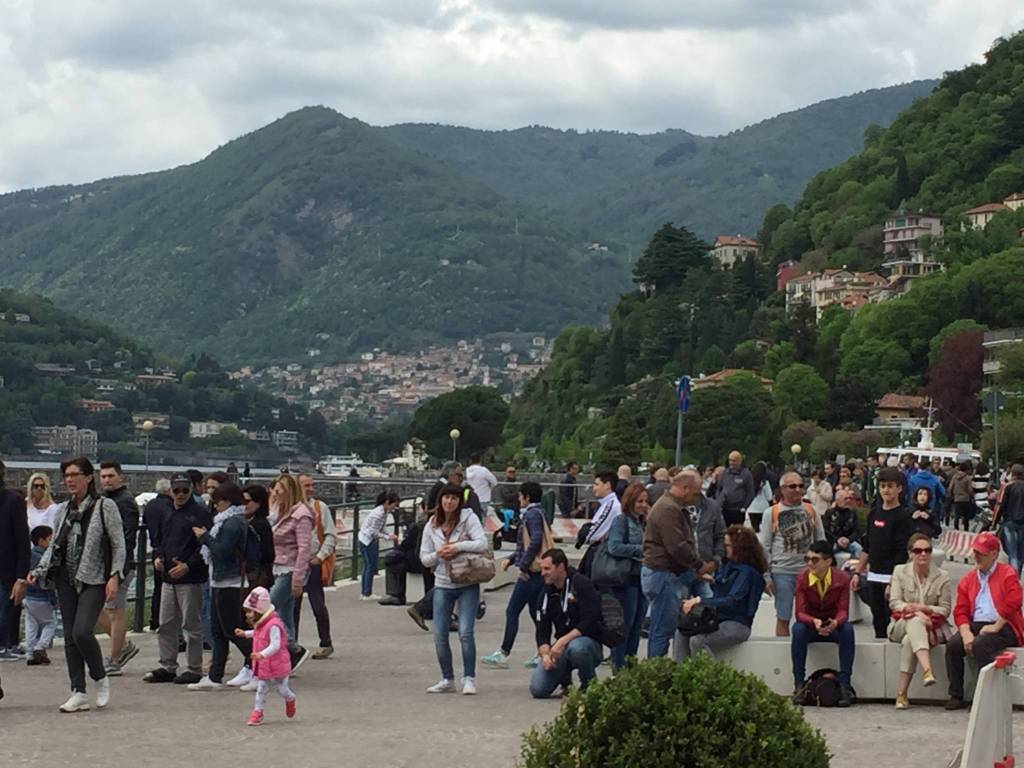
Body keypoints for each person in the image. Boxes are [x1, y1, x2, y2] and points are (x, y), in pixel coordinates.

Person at [29, 456, 126, 712]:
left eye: (75, 474)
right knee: (70, 636)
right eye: (66, 475)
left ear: (88, 477)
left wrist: (115, 575)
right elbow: (55, 545)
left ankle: (100, 677)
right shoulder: (62, 510)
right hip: (65, 577)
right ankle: (78, 691)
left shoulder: (104, 506)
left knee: (82, 631)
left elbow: (118, 544)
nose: (70, 480)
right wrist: (38, 570)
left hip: (93, 577)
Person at [143, 472, 212, 685]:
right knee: (165, 623)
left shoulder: (200, 513)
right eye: (177, 490)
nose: (181, 494)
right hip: (168, 576)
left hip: (190, 577)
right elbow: (159, 540)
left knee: (191, 624)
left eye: (185, 490)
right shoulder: (166, 512)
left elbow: (204, 546)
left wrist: (188, 565)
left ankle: (194, 667)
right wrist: (158, 558)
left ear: (191, 490)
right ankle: (167, 665)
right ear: (170, 491)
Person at [186, 482, 255, 690]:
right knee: (218, 631)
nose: (215, 506)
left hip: (230, 582)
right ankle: (215, 676)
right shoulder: (226, 521)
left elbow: (222, 550)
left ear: (227, 501)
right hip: (219, 580)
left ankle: (258, 664)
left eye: (217, 501)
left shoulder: (232, 523)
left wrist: (204, 537)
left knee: (231, 630)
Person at [420, 483, 487, 694]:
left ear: (460, 502)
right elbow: (424, 558)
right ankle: (447, 678)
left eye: (454, 498)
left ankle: (469, 677)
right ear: (440, 500)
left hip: (467, 581)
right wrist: (439, 554)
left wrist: (456, 547)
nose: (449, 502)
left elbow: (482, 543)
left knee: (465, 632)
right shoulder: (431, 524)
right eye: (446, 498)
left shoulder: (469, 518)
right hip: (442, 583)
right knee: (439, 633)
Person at [945, 532, 1024, 710]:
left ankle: (987, 695)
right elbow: (961, 610)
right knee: (953, 645)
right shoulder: (969, 579)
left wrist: (996, 626)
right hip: (977, 623)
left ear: (994, 554)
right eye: (975, 552)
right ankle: (955, 694)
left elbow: (1014, 601)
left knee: (981, 644)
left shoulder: (1007, 574)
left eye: (981, 553)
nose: (976, 556)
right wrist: (965, 633)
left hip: (1004, 624)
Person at [482, 481, 551, 670]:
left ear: (527, 497)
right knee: (535, 612)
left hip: (530, 573)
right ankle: (542, 650)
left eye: (521, 496)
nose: (519, 499)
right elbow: (529, 543)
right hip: (537, 571)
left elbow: (533, 541)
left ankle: (504, 652)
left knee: (512, 611)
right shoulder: (541, 512)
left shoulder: (530, 515)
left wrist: (523, 564)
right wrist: (513, 559)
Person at [677, 525, 767, 660]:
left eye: (728, 546)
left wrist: (700, 600)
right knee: (682, 632)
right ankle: (680, 673)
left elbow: (733, 601)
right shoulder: (730, 567)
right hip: (719, 619)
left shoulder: (747, 573)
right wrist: (712, 581)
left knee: (698, 640)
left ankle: (710, 678)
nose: (725, 550)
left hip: (737, 623)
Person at [529, 548, 605, 698]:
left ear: (561, 567)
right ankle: (565, 681)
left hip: (587, 644)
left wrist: (562, 641)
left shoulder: (581, 584)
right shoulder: (545, 592)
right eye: (542, 569)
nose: (543, 573)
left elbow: (589, 621)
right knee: (538, 690)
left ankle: (588, 683)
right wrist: (544, 654)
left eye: (547, 569)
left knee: (576, 648)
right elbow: (542, 631)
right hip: (561, 648)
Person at [642, 470, 702, 658]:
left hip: (663, 573)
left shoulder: (669, 505)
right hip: (664, 573)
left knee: (661, 628)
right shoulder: (669, 509)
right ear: (684, 488)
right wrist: (698, 565)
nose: (696, 498)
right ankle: (655, 675)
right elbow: (677, 547)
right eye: (695, 493)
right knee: (662, 630)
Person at [888, 532, 952, 709]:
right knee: (914, 622)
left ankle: (901, 694)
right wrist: (914, 612)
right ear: (910, 553)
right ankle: (927, 669)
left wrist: (925, 610)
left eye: (927, 550)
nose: (923, 554)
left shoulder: (943, 576)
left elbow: (945, 609)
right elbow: (894, 603)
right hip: (900, 624)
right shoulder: (899, 571)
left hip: (931, 627)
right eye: (918, 550)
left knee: (910, 640)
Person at [759, 471, 825, 637]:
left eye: (801, 486)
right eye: (792, 486)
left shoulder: (811, 510)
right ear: (782, 489)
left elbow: (821, 541)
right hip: (782, 572)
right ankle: (782, 653)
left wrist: (823, 570)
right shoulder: (772, 513)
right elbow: (764, 547)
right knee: (783, 616)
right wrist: (766, 576)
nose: (798, 489)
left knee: (812, 616)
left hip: (809, 572)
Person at [790, 540, 855, 707]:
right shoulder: (802, 578)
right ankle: (798, 684)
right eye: (808, 559)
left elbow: (843, 611)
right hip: (811, 626)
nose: (810, 563)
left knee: (847, 629)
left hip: (832, 626)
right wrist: (814, 622)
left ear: (828, 561)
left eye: (815, 560)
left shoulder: (842, 578)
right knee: (798, 630)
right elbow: (799, 613)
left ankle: (844, 685)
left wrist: (834, 623)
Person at [854, 467, 915, 639]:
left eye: (890, 486)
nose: (886, 490)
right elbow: (868, 546)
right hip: (874, 575)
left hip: (893, 577)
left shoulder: (904, 516)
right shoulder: (874, 513)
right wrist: (858, 572)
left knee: (893, 621)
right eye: (882, 486)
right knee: (878, 619)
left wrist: (893, 581)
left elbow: (903, 552)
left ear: (899, 488)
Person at [97, 461, 141, 677]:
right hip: (107, 563)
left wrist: (118, 567)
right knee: (99, 609)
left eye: (110, 476)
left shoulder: (124, 502)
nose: (106, 480)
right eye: (103, 476)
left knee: (115, 611)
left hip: (119, 565)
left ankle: (115, 658)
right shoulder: (108, 500)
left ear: (120, 477)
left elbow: (126, 537)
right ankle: (122, 646)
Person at [268, 473, 315, 673]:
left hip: (290, 570)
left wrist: (297, 580)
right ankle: (289, 655)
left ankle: (292, 650)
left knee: (266, 610)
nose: (275, 493)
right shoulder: (280, 511)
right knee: (284, 614)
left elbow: (304, 548)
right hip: (278, 567)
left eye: (279, 490)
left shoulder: (301, 515)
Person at [601, 482, 649, 670]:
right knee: (625, 626)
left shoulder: (644, 522)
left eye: (646, 501)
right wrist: (641, 550)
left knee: (637, 626)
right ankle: (618, 666)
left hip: (641, 579)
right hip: (625, 580)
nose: (644, 505)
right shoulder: (621, 521)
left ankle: (630, 664)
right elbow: (614, 546)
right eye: (640, 501)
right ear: (630, 501)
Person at [237, 586, 297, 726]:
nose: (247, 615)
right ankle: (258, 712)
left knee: (282, 689)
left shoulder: (273, 625)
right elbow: (257, 633)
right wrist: (245, 634)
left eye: (250, 612)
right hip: (264, 663)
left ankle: (290, 698)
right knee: (261, 688)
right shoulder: (261, 624)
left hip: (276, 662)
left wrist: (261, 654)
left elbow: (275, 645)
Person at [295, 474, 337, 659]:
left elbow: (330, 534)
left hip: (312, 561)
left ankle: (326, 642)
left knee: (318, 604)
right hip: (294, 562)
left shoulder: (320, 507)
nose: (310, 488)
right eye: (306, 485)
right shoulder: (290, 507)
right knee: (292, 606)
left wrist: (320, 556)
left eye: (312, 485)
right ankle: (292, 644)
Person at [0, 460, 29, 671]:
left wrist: (21, 576)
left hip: (6, 571)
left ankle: (4, 645)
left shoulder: (13, 501)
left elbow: (22, 539)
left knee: (4, 614)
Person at [142, 478, 174, 631]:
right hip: (167, 549)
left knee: (157, 587)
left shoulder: (150, 505)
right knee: (168, 587)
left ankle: (154, 620)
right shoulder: (170, 506)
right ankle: (166, 621)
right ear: (169, 491)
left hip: (155, 548)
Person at [357, 491, 400, 600]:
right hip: (368, 540)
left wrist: (389, 534)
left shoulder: (383, 511)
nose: (393, 508)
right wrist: (387, 537)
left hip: (367, 538)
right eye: (393, 505)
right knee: (370, 566)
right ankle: (367, 593)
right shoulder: (379, 514)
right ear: (387, 502)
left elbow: (380, 528)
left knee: (368, 565)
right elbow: (373, 531)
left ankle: (365, 592)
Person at [24, 525, 57, 666]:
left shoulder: (29, 555)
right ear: (41, 540)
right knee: (51, 623)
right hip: (42, 597)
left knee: (31, 625)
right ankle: (40, 646)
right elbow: (47, 582)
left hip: (28, 597)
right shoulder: (44, 558)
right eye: (50, 539)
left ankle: (30, 653)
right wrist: (54, 600)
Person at [580, 471, 622, 575]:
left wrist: (585, 536)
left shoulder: (611, 505)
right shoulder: (607, 503)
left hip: (601, 552)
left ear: (607, 485)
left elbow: (595, 533)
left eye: (597, 484)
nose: (594, 488)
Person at [992, 464, 1024, 575]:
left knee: (1012, 552)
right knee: (1021, 552)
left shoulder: (1007, 487)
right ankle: (1018, 573)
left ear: (1012, 474)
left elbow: (1000, 506)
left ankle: (1013, 578)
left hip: (1010, 523)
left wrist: (994, 523)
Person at [714, 451, 754, 527]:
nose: (731, 462)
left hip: (738, 510)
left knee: (738, 534)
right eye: (730, 460)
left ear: (740, 461)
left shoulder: (746, 474)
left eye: (734, 460)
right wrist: (718, 501)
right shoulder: (725, 473)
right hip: (725, 509)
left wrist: (745, 506)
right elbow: (719, 488)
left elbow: (750, 492)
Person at [746, 461, 773, 532]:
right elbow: (769, 497)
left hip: (751, 508)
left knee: (754, 529)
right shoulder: (765, 483)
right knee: (764, 530)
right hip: (763, 508)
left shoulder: (749, 482)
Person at [948, 461, 975, 531]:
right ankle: (966, 529)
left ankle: (956, 528)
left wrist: (952, 495)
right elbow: (970, 490)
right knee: (966, 516)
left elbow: (950, 487)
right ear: (966, 469)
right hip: (966, 499)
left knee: (957, 515)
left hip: (957, 498)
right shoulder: (967, 478)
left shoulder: (954, 477)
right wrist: (972, 495)